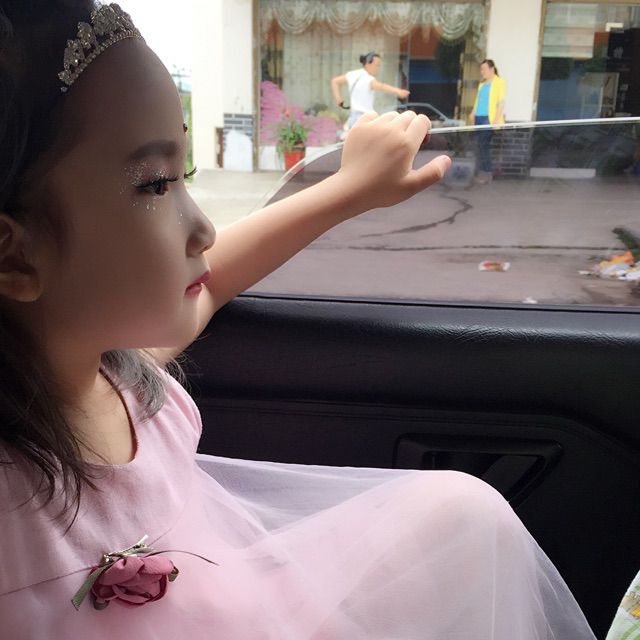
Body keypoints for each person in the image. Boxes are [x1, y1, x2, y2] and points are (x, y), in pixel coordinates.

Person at [0, 2, 596, 638]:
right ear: (15, 256)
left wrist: (349, 189)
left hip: (241, 611)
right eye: (155, 184)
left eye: (187, 175)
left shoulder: (123, 378)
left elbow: (214, 278)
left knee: (462, 511)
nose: (203, 228)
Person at [331, 51, 410, 130]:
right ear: (368, 64)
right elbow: (381, 86)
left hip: (353, 117)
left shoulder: (353, 75)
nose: (377, 69)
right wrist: (398, 91)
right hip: (365, 118)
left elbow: (335, 81)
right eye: (376, 65)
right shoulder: (368, 79)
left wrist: (338, 99)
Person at [470, 58, 506, 184]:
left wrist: (496, 119)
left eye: (484, 69)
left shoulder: (499, 82)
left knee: (483, 145)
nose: (482, 72)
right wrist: (473, 112)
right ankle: (481, 172)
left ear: (492, 69)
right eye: (481, 69)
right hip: (479, 117)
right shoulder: (482, 84)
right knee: (479, 146)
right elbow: (478, 100)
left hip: (488, 119)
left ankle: (487, 173)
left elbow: (501, 102)